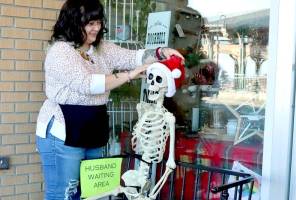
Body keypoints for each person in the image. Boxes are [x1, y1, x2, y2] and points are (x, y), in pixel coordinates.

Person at [35, 0, 184, 199]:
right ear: (71, 22)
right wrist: (130, 75)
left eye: (98, 22)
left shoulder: (101, 48)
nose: (96, 28)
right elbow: (87, 84)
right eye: (90, 23)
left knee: (92, 193)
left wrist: (161, 52)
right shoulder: (60, 52)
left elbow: (134, 57)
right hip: (63, 130)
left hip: (93, 129)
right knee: (64, 193)